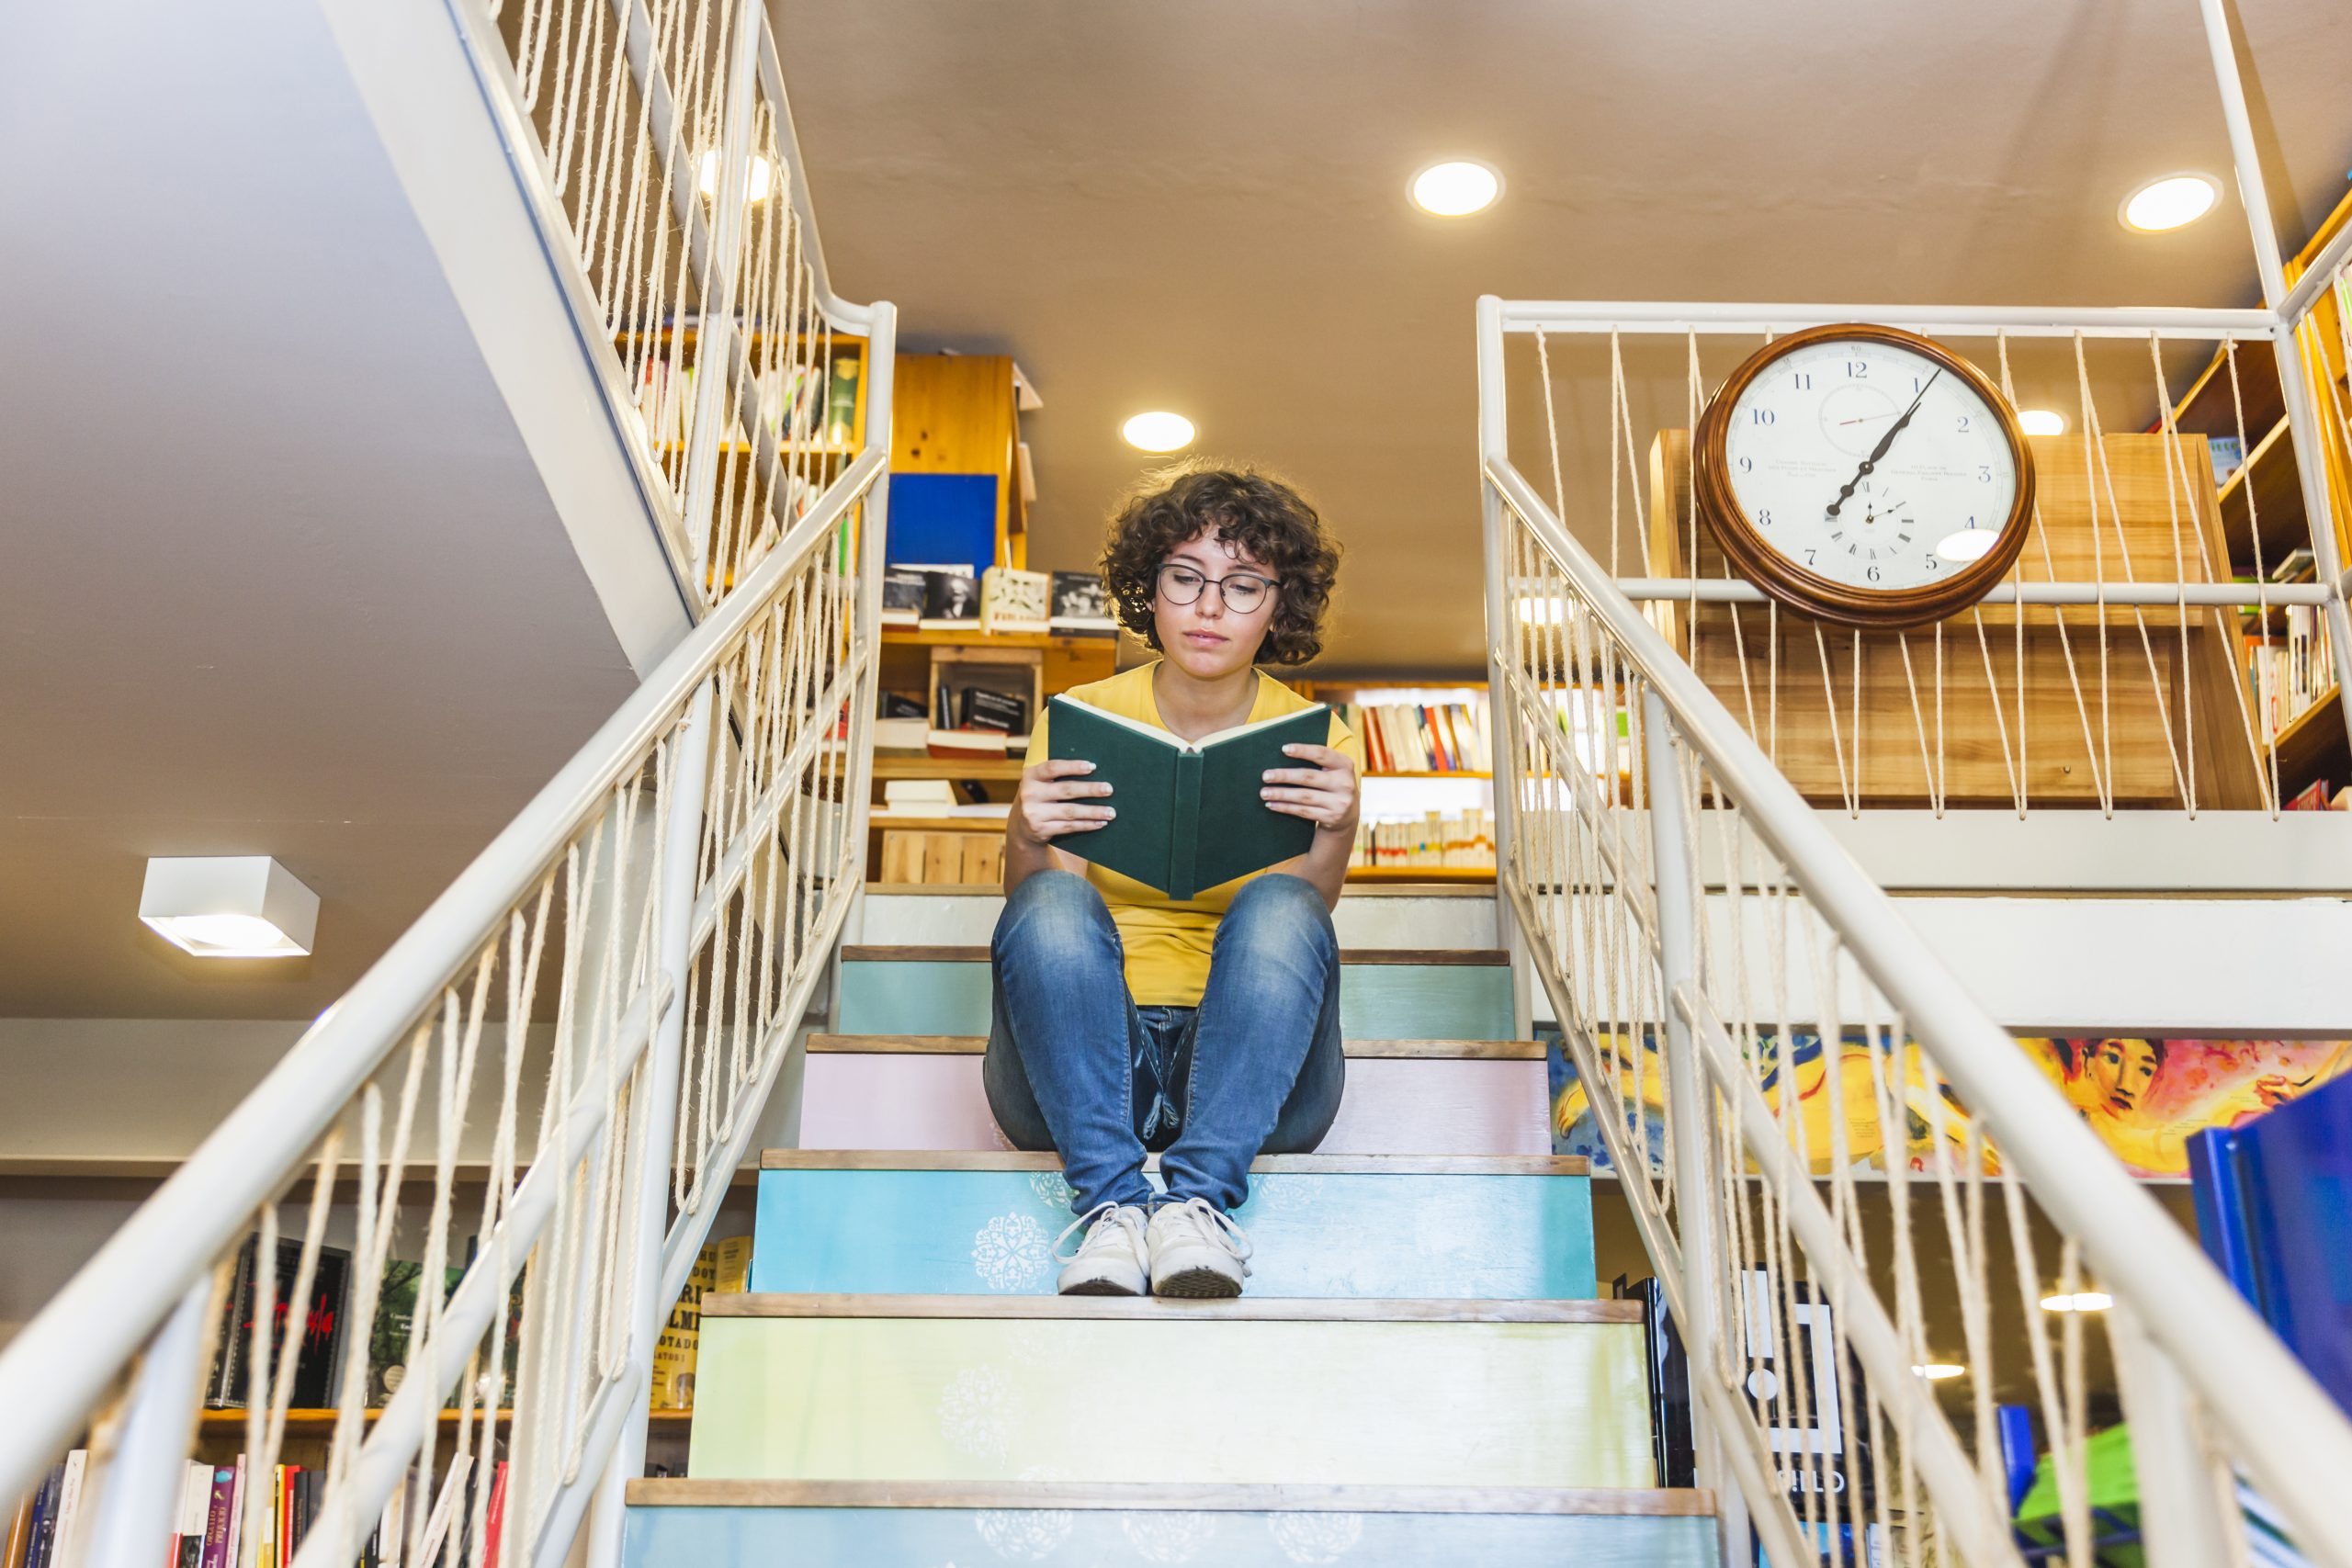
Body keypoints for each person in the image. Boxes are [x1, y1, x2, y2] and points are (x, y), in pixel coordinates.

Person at [987, 465, 1361, 1297]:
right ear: (1149, 590)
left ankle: (1195, 1201)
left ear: (1279, 606)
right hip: (1085, 1067)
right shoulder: (1081, 717)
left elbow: (1306, 915)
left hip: (1248, 1077)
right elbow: (1042, 916)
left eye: (1243, 585)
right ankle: (1113, 1204)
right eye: (1186, 577)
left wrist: (1336, 828)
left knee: (1281, 904)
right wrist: (1022, 833)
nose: (1210, 606)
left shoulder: (1317, 737)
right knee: (1050, 899)